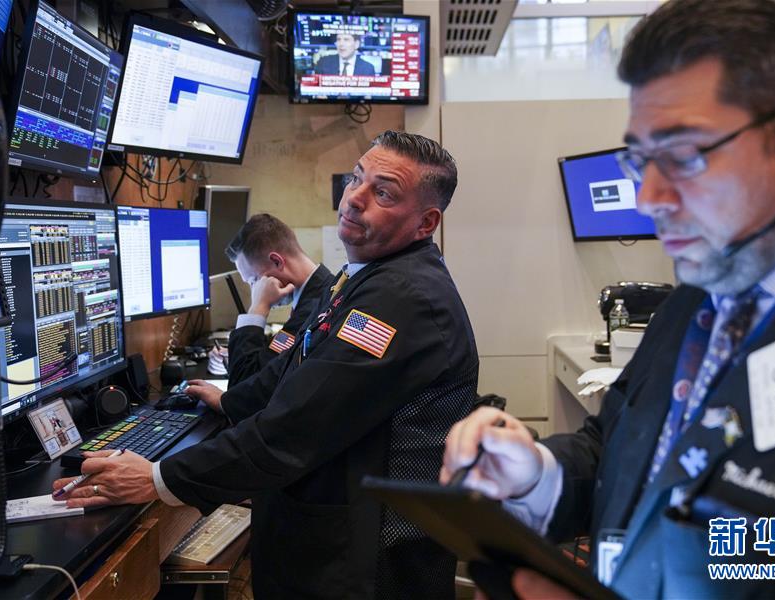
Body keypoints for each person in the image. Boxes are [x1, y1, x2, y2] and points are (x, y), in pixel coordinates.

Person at [442, 1, 775, 598]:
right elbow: (624, 448)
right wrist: (537, 475)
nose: (649, 198)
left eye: (685, 154)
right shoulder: (704, 289)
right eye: (642, 160)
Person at [55, 131, 480, 599]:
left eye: (383, 193)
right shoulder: (366, 276)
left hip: (365, 569)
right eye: (356, 179)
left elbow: (296, 427)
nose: (354, 198)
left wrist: (158, 478)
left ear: (426, 222)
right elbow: (299, 366)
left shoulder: (401, 298)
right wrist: (232, 402)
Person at [197, 213, 333, 391]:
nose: (255, 290)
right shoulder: (320, 292)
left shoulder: (314, 309)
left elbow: (243, 387)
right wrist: (236, 357)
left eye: (254, 280)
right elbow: (275, 366)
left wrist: (257, 308)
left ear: (276, 261)